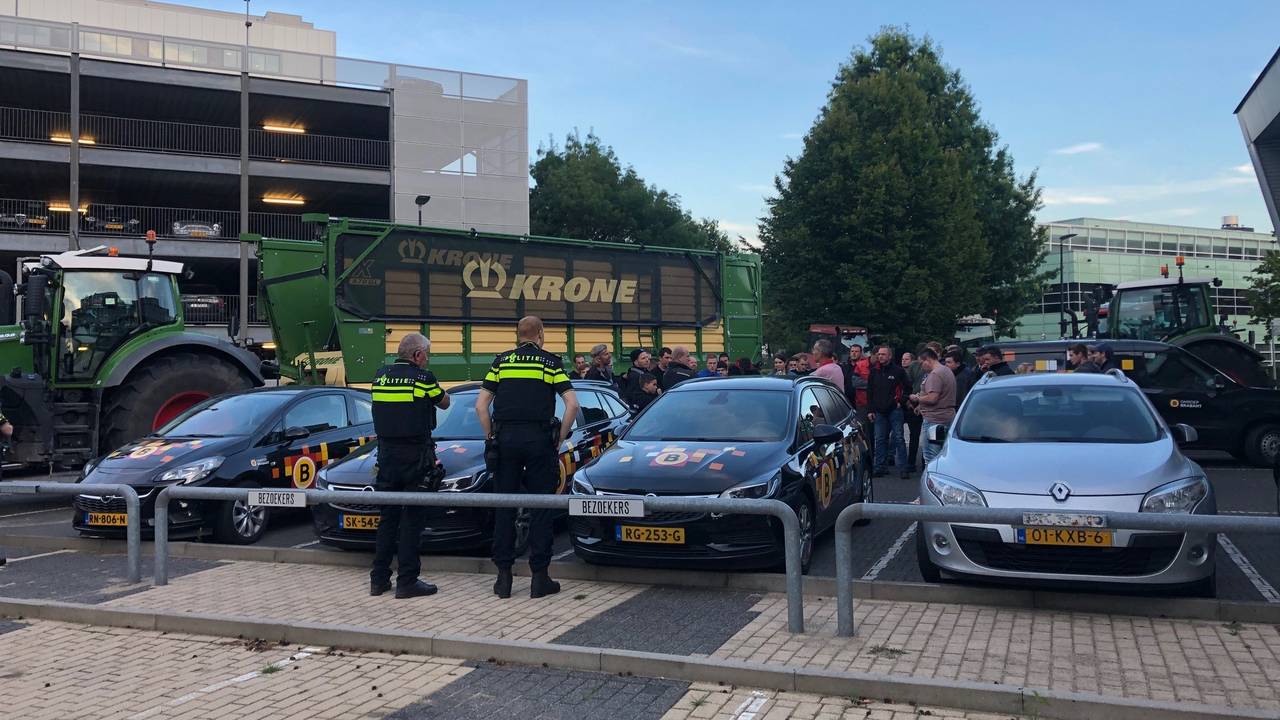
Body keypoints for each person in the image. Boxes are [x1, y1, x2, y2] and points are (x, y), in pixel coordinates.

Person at [476, 316, 579, 599]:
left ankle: (503, 578)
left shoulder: (501, 363)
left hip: (505, 440)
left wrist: (490, 437)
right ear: (540, 335)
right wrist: (560, 437)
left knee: (504, 506)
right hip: (538, 441)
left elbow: (481, 405)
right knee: (541, 507)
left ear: (518, 335)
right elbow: (572, 404)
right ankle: (539, 578)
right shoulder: (549, 363)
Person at [369, 333, 451, 599]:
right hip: (415, 456)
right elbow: (444, 401)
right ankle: (407, 581)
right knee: (412, 519)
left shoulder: (380, 376)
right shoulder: (423, 378)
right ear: (417, 355)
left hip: (386, 456)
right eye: (426, 354)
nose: (427, 359)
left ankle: (379, 579)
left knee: (388, 519)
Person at [867, 345, 910, 478]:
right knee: (879, 439)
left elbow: (908, 388)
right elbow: (870, 391)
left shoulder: (898, 371)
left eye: (883, 354)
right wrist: (870, 410)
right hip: (879, 411)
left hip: (894, 410)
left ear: (890, 356)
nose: (880, 356)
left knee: (898, 438)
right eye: (879, 354)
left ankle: (903, 468)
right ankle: (880, 466)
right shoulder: (874, 372)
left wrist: (900, 401)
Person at [910, 348, 956, 466]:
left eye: (921, 363)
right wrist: (921, 406)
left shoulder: (935, 374)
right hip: (947, 417)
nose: (921, 367)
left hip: (934, 421)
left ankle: (932, 482)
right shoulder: (946, 370)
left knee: (931, 456)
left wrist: (917, 398)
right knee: (943, 454)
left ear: (928, 360)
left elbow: (932, 398)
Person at [902, 351, 925, 473]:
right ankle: (918, 462)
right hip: (915, 403)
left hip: (918, 403)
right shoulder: (915, 368)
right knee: (918, 435)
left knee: (916, 436)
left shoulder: (932, 370)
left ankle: (912, 463)